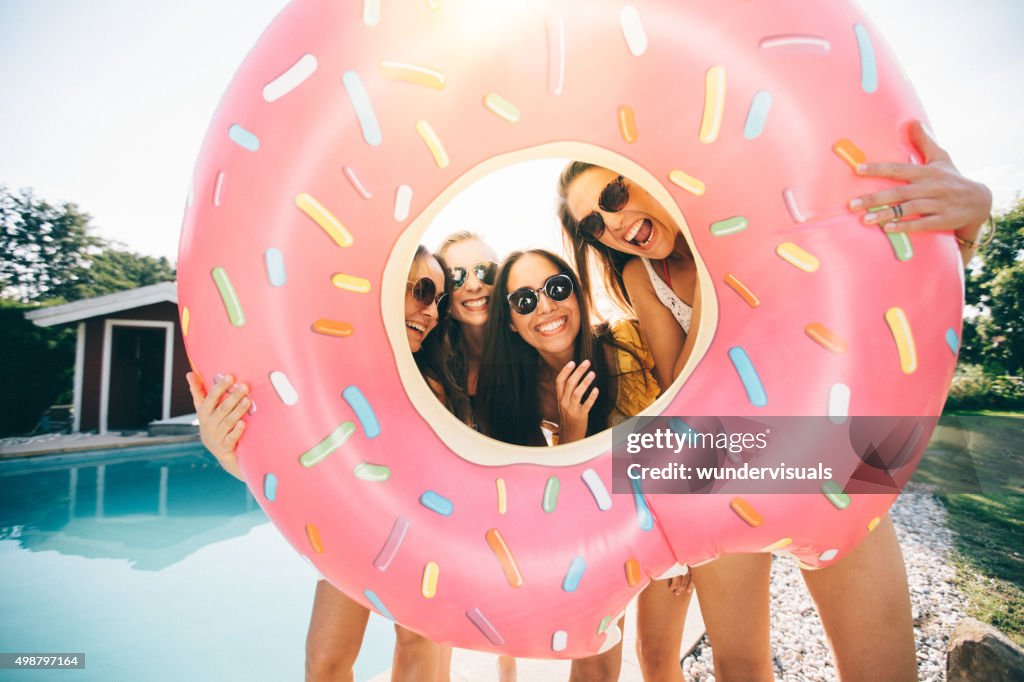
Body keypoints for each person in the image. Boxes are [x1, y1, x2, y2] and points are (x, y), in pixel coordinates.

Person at [556, 119, 993, 681]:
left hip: (825, 448)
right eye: (595, 221)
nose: (613, 223)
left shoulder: (764, 207)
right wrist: (722, 270)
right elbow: (682, 390)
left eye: (615, 195)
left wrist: (974, 213)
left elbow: (892, 268)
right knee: (739, 667)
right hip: (722, 461)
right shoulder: (645, 278)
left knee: (883, 670)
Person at [186, 245, 453, 682]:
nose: (432, 312)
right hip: (352, 533)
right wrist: (223, 448)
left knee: (418, 641)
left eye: (439, 301)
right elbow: (292, 473)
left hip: (422, 534)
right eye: (423, 291)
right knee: (325, 663)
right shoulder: (325, 371)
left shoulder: (432, 385)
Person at [476, 249, 676, 681]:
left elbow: (682, 436)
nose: (546, 306)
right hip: (601, 531)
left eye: (556, 288)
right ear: (510, 321)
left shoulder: (629, 342)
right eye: (525, 301)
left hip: (668, 516)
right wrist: (571, 433)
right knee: (593, 668)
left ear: (577, 293)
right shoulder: (519, 398)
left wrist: (689, 544)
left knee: (657, 658)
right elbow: (548, 511)